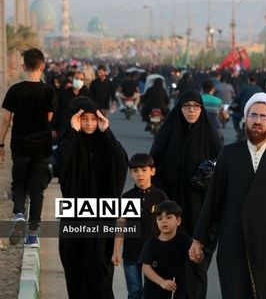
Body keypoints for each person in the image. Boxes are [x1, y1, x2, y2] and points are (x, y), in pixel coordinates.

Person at [190, 92, 266, 298]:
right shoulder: (229, 153)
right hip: (233, 240)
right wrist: (198, 239)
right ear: (246, 119)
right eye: (253, 115)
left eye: (263, 117)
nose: (257, 121)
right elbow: (213, 200)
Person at [150, 90, 222, 299]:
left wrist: (207, 179)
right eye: (187, 106)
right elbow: (154, 168)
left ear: (201, 109)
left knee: (197, 266)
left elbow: (223, 174)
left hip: (202, 213)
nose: (191, 110)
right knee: (172, 267)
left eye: (196, 106)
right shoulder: (168, 134)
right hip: (171, 213)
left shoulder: (210, 137)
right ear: (179, 108)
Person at [56, 97, 128, 298]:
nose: (89, 123)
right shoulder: (69, 141)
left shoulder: (106, 143)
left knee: (101, 271)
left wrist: (107, 132)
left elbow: (121, 162)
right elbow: (60, 163)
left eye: (93, 119)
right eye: (84, 119)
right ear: (76, 119)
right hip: (74, 216)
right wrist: (72, 131)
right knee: (75, 269)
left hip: (102, 216)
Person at [0, 48, 57, 246]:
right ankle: (32, 233)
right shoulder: (49, 91)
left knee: (19, 183)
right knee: (36, 188)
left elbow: (6, 119)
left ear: (24, 66)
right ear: (42, 66)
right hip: (42, 147)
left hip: (20, 146)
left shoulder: (15, 90)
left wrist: (1, 144)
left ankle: (18, 215)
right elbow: (49, 119)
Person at [112, 153, 168, 299]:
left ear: (152, 171)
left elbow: (168, 225)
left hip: (154, 254)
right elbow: (121, 223)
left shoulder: (160, 197)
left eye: (144, 170)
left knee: (153, 292)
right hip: (131, 253)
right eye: (135, 171)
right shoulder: (128, 197)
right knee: (135, 291)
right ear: (131, 173)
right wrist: (116, 250)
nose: (140, 174)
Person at [140, 200, 198, 299]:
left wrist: (197, 256)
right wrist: (162, 282)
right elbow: (145, 268)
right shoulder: (151, 243)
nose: (164, 221)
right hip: (153, 293)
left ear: (178, 221)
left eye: (169, 217)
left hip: (177, 293)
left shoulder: (184, 241)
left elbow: (196, 259)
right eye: (159, 218)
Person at [52, 70, 91, 137]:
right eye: (77, 78)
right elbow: (57, 110)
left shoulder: (87, 94)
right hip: (64, 127)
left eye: (81, 79)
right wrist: (54, 128)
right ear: (72, 79)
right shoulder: (64, 93)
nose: (79, 81)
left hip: (81, 128)